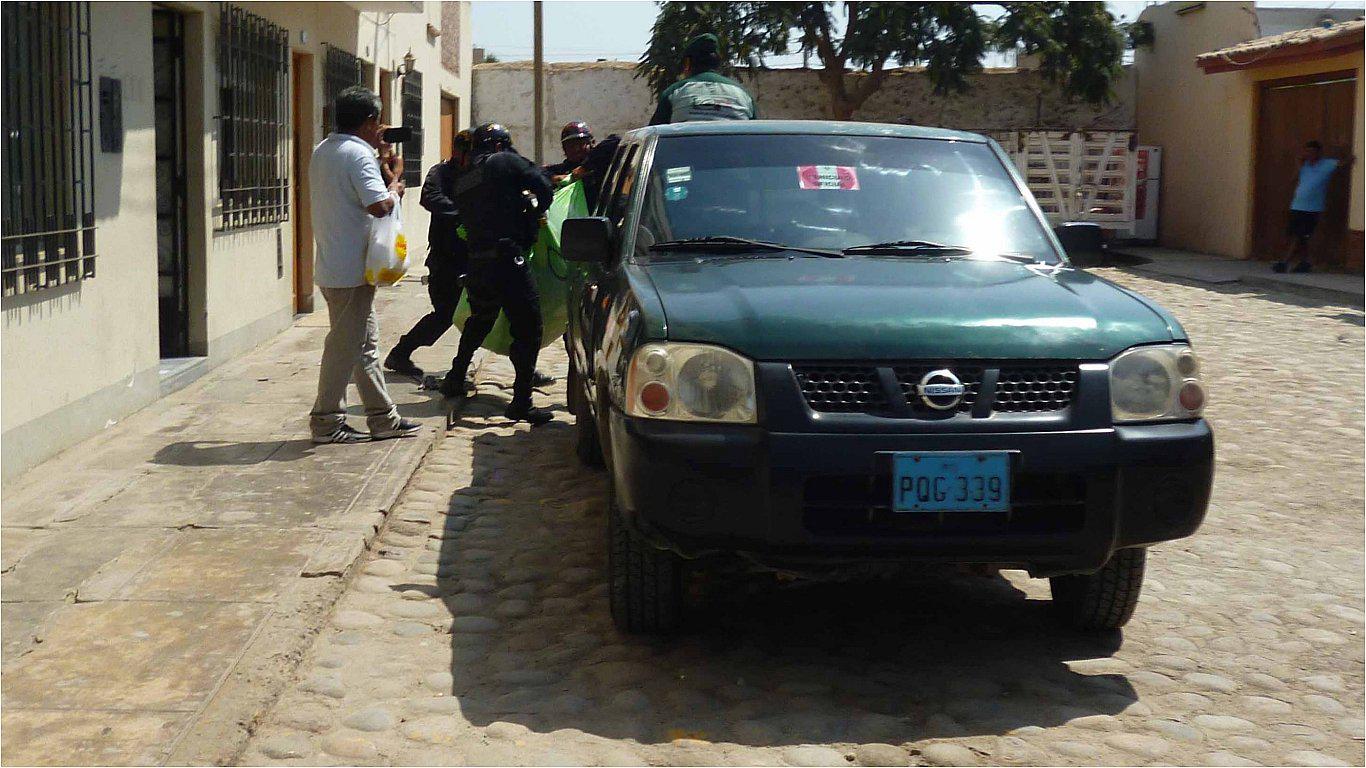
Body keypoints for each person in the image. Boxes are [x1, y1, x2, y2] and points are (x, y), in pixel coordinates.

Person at [307, 86, 422, 444]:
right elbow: (379, 206)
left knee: (365, 345)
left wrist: (380, 157)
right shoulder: (357, 156)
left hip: (336, 264)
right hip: (351, 270)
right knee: (344, 347)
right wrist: (395, 185)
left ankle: (383, 418)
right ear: (370, 120)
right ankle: (326, 422)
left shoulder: (325, 149)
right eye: (379, 120)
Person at [440, 122, 555, 425]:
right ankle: (521, 400)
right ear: (501, 144)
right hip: (506, 258)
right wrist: (536, 208)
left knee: (480, 320)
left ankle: (455, 376)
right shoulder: (504, 160)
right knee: (529, 327)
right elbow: (542, 184)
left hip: (478, 261)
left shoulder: (464, 179)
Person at [384, 129, 474, 380]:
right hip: (446, 257)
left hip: (475, 255)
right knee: (445, 313)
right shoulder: (441, 172)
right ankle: (401, 353)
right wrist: (462, 213)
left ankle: (523, 369)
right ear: (456, 150)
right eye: (464, 151)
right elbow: (430, 197)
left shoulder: (480, 172)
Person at [1274, 140, 1351, 274]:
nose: (1308, 154)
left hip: (1313, 208)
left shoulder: (1327, 164)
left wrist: (1346, 153)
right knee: (1299, 236)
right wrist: (1298, 166)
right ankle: (1305, 262)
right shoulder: (1304, 166)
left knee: (1300, 235)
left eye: (1311, 151)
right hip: (1297, 205)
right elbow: (1293, 180)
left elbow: (1346, 162)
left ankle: (1284, 262)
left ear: (1318, 152)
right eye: (1306, 151)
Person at [648, 33, 756, 125]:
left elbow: (655, 134)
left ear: (687, 63)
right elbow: (756, 137)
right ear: (718, 62)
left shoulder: (674, 93)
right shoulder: (743, 95)